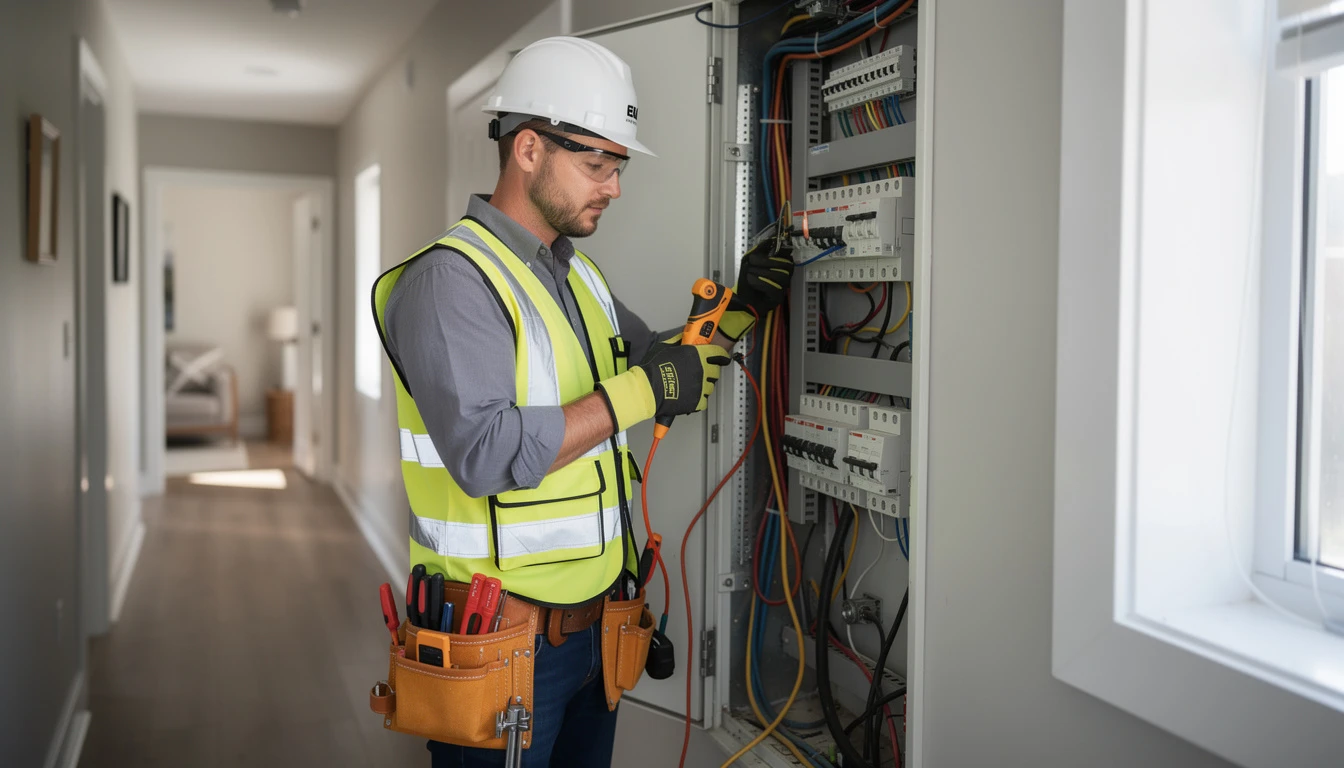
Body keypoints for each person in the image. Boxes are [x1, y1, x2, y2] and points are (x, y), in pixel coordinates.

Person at [370, 36, 793, 767]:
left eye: (617, 166)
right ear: (528, 149)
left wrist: (741, 310)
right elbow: (486, 451)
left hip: (597, 632)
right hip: (498, 643)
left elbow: (662, 366)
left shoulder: (578, 276)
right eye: (597, 165)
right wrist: (646, 388)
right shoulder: (452, 282)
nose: (614, 187)